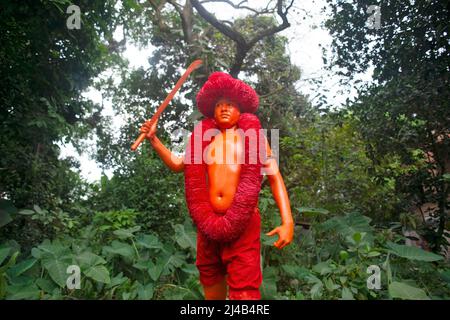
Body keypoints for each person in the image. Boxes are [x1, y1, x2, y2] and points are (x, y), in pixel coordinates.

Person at [140, 72, 294, 300]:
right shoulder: (203, 139)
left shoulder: (255, 137)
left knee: (244, 291)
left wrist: (288, 221)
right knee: (211, 282)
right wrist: (154, 139)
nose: (224, 108)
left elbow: (274, 176)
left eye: (230, 104)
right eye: (219, 104)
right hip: (208, 225)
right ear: (211, 110)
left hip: (244, 224)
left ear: (241, 109)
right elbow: (177, 163)